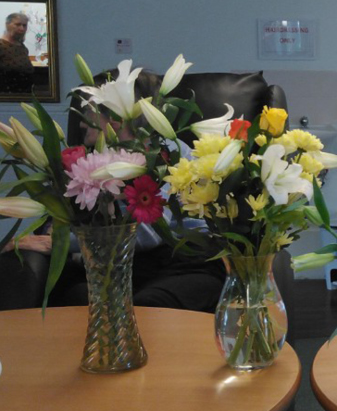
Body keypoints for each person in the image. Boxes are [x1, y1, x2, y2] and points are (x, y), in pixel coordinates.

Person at [0, 67, 225, 313]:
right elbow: (67, 217)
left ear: (116, 118)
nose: (82, 123)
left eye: (88, 111)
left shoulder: (166, 152)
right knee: (76, 298)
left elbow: (149, 233)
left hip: (183, 259)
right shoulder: (95, 157)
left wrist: (57, 242)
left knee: (149, 307)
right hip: (122, 262)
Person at [0, 12, 34, 94]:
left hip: (25, 95)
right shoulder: (1, 45)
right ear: (7, 25)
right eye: (18, 25)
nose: (22, 28)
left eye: (24, 25)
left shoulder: (22, 48)